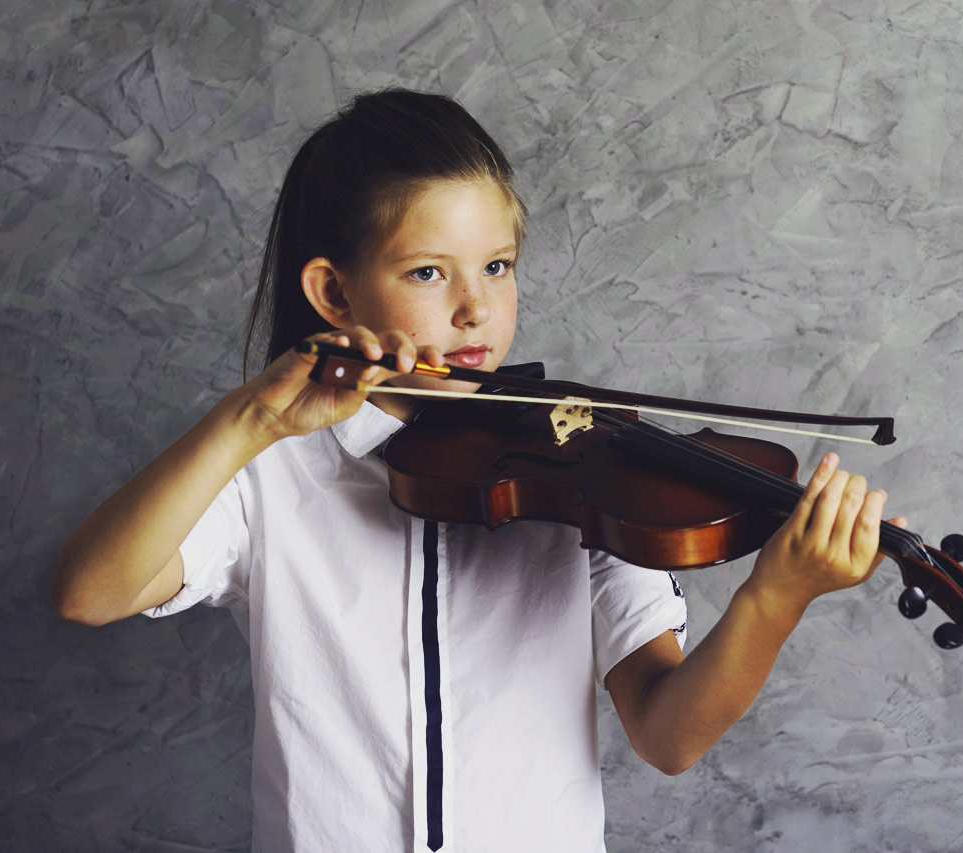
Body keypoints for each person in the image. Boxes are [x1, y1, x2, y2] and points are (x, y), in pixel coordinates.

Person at [51, 88, 903, 852]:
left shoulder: (587, 472)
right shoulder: (268, 469)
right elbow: (91, 592)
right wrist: (250, 420)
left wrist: (775, 595)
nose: (476, 309)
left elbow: (668, 735)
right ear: (335, 294)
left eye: (497, 266)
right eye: (428, 272)